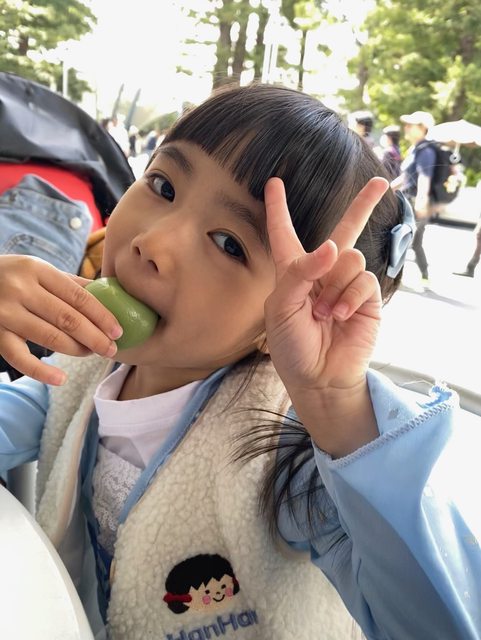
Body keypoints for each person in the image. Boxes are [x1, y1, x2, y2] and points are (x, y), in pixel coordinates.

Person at [0, 84, 479, 640]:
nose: (155, 242)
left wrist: (336, 408)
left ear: (282, 323)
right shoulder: (77, 376)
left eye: (229, 243)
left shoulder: (284, 454)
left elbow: (440, 624)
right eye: (163, 186)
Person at [391, 110, 436, 283]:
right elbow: (405, 177)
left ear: (423, 128)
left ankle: (422, 276)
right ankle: (420, 276)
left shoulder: (425, 151)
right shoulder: (416, 149)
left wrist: (421, 202)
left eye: (411, 125)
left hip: (414, 202)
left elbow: (425, 177)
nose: (406, 128)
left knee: (409, 240)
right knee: (408, 240)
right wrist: (386, 188)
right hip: (408, 200)